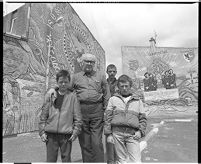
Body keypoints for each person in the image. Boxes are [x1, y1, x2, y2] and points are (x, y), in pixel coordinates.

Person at [46, 53, 111, 162]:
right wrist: (54, 88)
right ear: (82, 63)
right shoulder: (75, 77)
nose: (89, 63)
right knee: (85, 143)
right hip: (82, 111)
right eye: (87, 61)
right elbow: (65, 86)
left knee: (96, 142)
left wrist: (106, 111)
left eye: (92, 62)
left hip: (97, 111)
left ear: (94, 64)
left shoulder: (101, 76)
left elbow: (107, 95)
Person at [38, 70, 82, 162]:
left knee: (66, 159)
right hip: (51, 135)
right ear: (57, 82)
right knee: (50, 160)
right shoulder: (51, 95)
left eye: (66, 82)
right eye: (60, 82)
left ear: (69, 82)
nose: (63, 84)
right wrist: (42, 132)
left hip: (66, 135)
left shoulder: (73, 97)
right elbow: (43, 115)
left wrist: (75, 132)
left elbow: (78, 117)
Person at [104, 74, 147, 163]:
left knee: (136, 161)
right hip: (117, 134)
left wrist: (140, 131)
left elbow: (143, 119)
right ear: (118, 87)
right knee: (121, 161)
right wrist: (109, 134)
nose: (124, 88)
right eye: (122, 86)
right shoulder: (113, 99)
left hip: (132, 135)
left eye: (126, 86)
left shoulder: (138, 101)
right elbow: (108, 118)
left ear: (130, 86)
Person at [106, 64, 118, 163]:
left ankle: (118, 159)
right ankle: (110, 161)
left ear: (116, 72)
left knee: (118, 136)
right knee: (109, 135)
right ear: (107, 72)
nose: (112, 73)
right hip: (107, 112)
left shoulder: (119, 83)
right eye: (110, 71)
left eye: (114, 71)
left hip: (118, 112)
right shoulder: (103, 83)